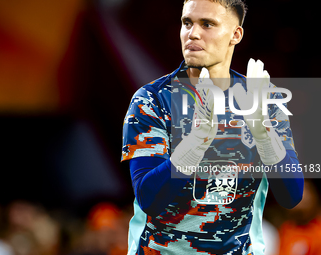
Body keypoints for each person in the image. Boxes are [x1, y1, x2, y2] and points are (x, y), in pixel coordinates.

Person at [121, 0, 304, 254]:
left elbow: (292, 196)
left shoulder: (263, 98)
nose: (192, 33)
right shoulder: (153, 99)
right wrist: (196, 142)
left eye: (207, 24)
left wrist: (264, 133)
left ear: (235, 34)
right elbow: (149, 199)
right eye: (187, 23)